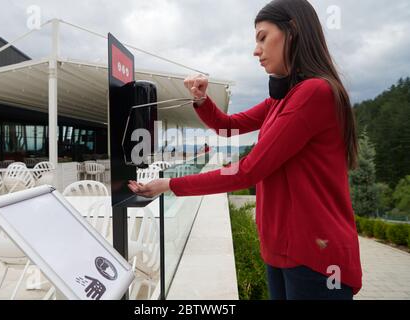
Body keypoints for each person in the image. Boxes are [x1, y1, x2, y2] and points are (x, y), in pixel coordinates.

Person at [128, 0, 362, 300]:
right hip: (283, 251)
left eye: (263, 37)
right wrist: (201, 100)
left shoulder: (313, 93)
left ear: (292, 31)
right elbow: (228, 126)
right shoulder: (283, 98)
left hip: (316, 255)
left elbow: (249, 169)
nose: (256, 50)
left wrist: (170, 184)